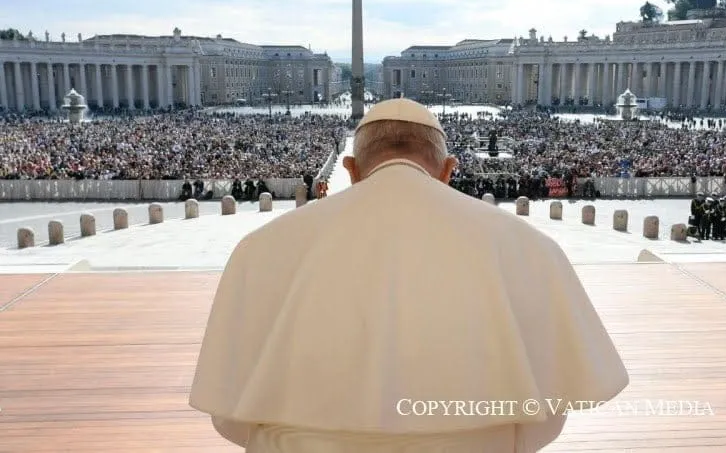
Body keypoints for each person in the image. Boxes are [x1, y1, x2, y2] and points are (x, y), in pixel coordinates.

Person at [189, 98, 628, 452]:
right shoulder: (526, 245)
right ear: (448, 170)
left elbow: (229, 415)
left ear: (351, 170)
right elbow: (548, 416)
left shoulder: (263, 246)